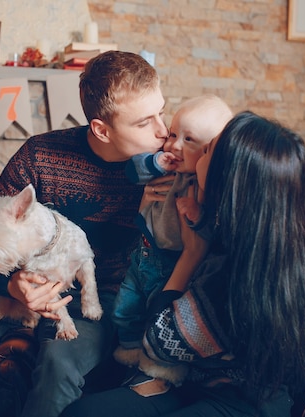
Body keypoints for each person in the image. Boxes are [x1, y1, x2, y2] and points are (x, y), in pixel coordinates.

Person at [0, 50, 169, 417]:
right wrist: (12, 285)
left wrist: (150, 212)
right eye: (145, 121)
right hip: (17, 295)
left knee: (57, 367)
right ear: (101, 129)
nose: (163, 130)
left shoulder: (165, 169)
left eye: (161, 111)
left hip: (99, 300)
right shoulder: (39, 155)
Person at [61, 110, 305, 417]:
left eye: (206, 149)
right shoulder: (246, 224)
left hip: (237, 400)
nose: (181, 150)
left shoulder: (236, 270)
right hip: (195, 383)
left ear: (229, 179)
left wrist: (191, 255)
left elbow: (158, 343)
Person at [112, 95, 233, 393]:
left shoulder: (204, 186)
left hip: (170, 265)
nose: (174, 145)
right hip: (143, 253)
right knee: (123, 308)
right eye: (174, 134)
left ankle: (161, 366)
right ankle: (128, 352)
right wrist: (154, 162)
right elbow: (133, 171)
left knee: (155, 312)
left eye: (189, 140)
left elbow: (209, 233)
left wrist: (197, 214)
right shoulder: (165, 167)